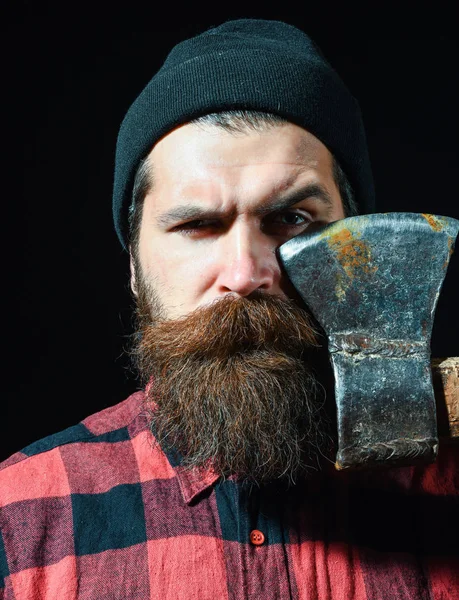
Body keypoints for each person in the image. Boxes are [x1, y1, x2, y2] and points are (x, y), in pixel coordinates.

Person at [1, 19, 457, 600]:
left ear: (362, 248)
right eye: (196, 225)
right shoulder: (19, 521)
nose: (244, 275)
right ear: (135, 269)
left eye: (293, 220)